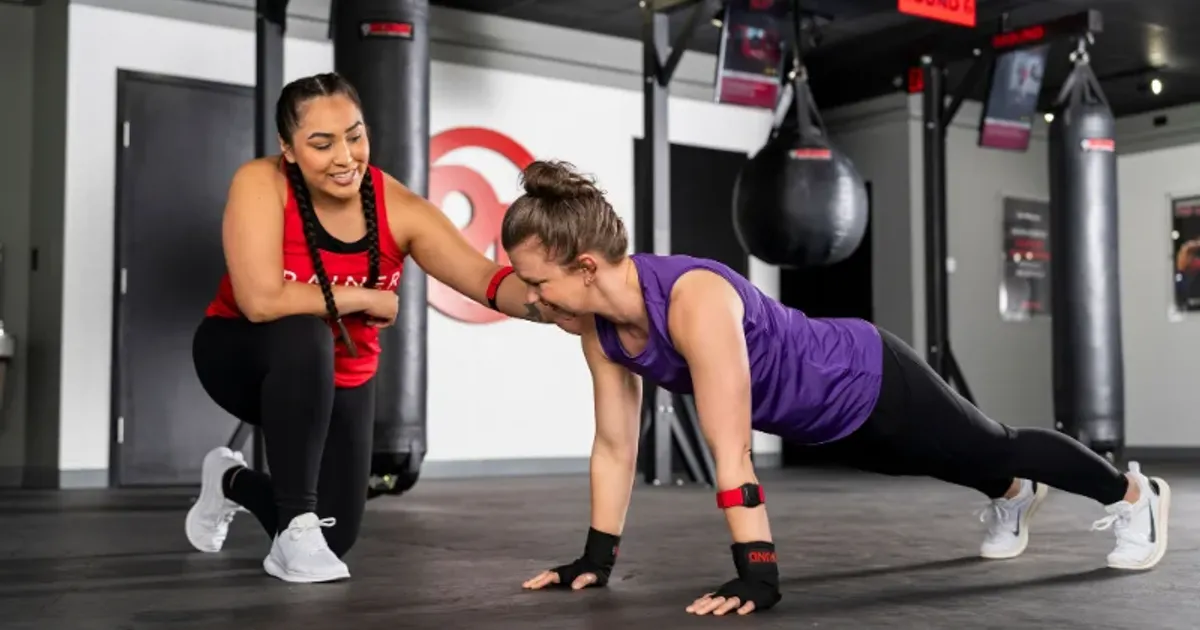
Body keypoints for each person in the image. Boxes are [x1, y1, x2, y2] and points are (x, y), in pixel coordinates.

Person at [504, 160, 1171, 616]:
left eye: (537, 283)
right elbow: (615, 446)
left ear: (586, 266)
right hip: (826, 424)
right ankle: (1013, 496)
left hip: (870, 375)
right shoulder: (599, 330)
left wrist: (757, 570)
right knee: (941, 460)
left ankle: (1135, 495)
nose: (530, 300)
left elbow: (729, 447)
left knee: (992, 444)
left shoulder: (693, 301)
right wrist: (595, 558)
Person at [183, 72, 547, 584]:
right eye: (321, 143)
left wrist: (549, 300)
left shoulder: (397, 207)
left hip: (341, 379)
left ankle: (230, 481)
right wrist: (364, 297)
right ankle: (294, 531)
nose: (345, 156)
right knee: (304, 331)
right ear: (288, 148)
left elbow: (485, 278)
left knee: (337, 540)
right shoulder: (260, 183)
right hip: (240, 357)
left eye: (355, 135)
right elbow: (260, 300)